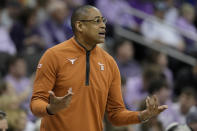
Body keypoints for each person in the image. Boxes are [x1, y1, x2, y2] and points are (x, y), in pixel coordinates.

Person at [30, 5, 168, 131]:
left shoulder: (109, 63)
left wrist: (142, 115)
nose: (103, 26)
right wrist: (50, 108)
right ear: (80, 26)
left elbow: (116, 114)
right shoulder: (53, 56)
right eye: (97, 21)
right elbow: (36, 103)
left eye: (103, 21)